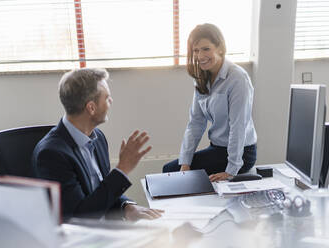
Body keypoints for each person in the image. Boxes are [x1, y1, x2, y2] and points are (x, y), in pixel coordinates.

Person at [32, 68, 163, 221]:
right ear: (91, 108)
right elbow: (79, 217)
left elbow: (103, 191)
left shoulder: (98, 138)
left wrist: (126, 207)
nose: (111, 101)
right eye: (107, 98)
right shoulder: (51, 155)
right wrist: (122, 169)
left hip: (106, 228)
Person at [163, 23, 257, 182]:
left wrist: (231, 170)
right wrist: (185, 162)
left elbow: (238, 126)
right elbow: (196, 123)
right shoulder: (201, 78)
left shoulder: (237, 79)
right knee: (175, 171)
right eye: (196, 50)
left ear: (220, 47)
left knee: (168, 170)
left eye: (206, 49)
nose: (200, 56)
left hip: (242, 153)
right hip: (217, 148)